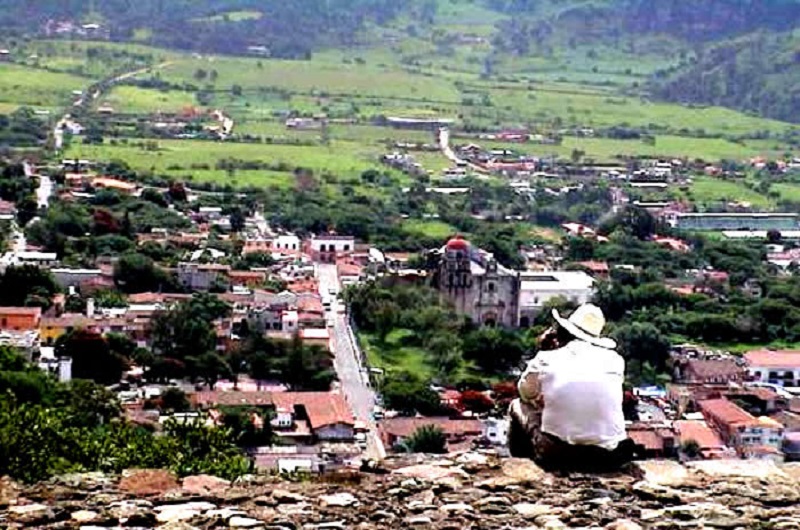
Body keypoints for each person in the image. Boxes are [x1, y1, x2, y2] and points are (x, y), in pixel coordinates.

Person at [508, 303, 633, 471]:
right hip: (610, 456)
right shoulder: (616, 360)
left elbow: (525, 393)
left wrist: (543, 350)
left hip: (559, 455)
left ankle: (520, 467)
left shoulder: (547, 358)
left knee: (518, 405)